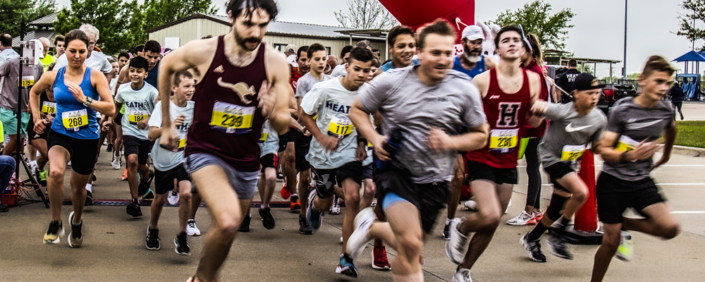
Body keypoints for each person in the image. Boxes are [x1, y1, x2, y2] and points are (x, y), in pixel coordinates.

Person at [156, 0, 291, 280]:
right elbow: (167, 64)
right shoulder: (205, 51)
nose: (255, 32)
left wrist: (272, 111)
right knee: (229, 221)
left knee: (227, 228)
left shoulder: (275, 63)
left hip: (246, 158)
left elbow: (282, 120)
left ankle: (202, 277)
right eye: (248, 24)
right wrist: (167, 124)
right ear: (231, 17)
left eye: (263, 25)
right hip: (205, 150)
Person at [346, 19, 488, 282]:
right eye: (435, 53)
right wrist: (375, 138)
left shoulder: (464, 89)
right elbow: (357, 110)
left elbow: (481, 134)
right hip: (396, 173)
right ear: (419, 54)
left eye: (448, 53)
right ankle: (375, 227)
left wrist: (451, 142)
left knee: (410, 245)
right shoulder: (391, 82)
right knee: (411, 244)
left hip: (436, 182)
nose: (443, 60)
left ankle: (371, 227)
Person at [446, 25, 542, 282]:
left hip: (508, 158)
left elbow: (530, 122)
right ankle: (461, 226)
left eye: (516, 40)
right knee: (488, 214)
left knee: (493, 221)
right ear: (497, 49)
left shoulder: (533, 80)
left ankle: (463, 270)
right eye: (506, 40)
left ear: (523, 49)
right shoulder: (483, 81)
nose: (512, 44)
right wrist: (457, 153)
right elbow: (459, 118)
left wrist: (539, 116)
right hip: (481, 156)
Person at [591, 55, 680, 282]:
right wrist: (629, 155)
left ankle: (625, 224)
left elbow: (672, 130)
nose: (663, 88)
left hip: (641, 181)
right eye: (658, 81)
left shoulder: (666, 110)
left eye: (667, 83)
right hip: (613, 182)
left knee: (670, 228)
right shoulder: (623, 109)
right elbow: (603, 149)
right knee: (610, 243)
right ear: (642, 80)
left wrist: (666, 156)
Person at [31, 29, 115, 247]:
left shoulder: (95, 76)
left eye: (81, 51)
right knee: (56, 172)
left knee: (78, 188)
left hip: (87, 138)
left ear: (88, 51)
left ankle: (76, 221)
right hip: (60, 133)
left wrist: (85, 100)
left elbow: (111, 107)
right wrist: (37, 117)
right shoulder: (54, 75)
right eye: (72, 51)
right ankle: (55, 221)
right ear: (64, 51)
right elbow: (34, 92)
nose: (77, 56)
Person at [300, 46, 374, 277]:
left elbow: (365, 119)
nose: (362, 75)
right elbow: (304, 114)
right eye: (358, 70)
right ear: (347, 67)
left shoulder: (368, 93)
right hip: (323, 154)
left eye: (367, 70)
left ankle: (346, 258)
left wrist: (362, 143)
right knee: (325, 202)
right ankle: (315, 203)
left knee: (352, 197)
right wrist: (321, 138)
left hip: (350, 151)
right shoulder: (325, 88)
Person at [520, 73, 607, 262]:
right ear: (575, 93)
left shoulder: (599, 119)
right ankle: (560, 234)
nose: (594, 97)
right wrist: (536, 107)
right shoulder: (562, 111)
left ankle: (532, 238)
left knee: (556, 208)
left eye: (597, 93)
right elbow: (538, 110)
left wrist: (617, 150)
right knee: (581, 192)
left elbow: (598, 148)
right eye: (589, 93)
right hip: (551, 158)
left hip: (570, 163)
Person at [443, 24, 497, 240]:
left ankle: (478, 213)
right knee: (457, 177)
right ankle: (449, 221)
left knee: (479, 176)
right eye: (472, 42)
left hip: (481, 130)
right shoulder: (452, 66)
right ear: (463, 43)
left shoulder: (489, 64)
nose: (476, 47)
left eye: (479, 43)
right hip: (458, 128)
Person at [144, 70, 195, 255]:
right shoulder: (163, 107)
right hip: (163, 160)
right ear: (174, 87)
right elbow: (151, 135)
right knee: (160, 199)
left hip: (184, 158)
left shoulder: (194, 107)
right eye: (187, 86)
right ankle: (153, 228)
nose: (191, 90)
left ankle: (182, 235)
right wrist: (170, 124)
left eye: (193, 85)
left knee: (186, 194)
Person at [506, 31, 549, 227]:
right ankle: (536, 211)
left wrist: (525, 126)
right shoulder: (528, 69)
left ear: (529, 51)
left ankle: (530, 211)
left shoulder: (535, 73)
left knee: (532, 169)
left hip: (534, 130)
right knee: (532, 168)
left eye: (521, 48)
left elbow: (536, 104)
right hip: (530, 129)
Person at [110, 56, 158, 217]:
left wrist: (148, 119)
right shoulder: (123, 90)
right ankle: (134, 200)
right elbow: (116, 105)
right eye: (132, 71)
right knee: (131, 161)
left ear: (145, 74)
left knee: (142, 166)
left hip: (146, 134)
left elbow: (160, 112)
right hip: (129, 131)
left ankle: (146, 178)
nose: (135, 74)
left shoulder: (152, 92)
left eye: (139, 71)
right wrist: (110, 120)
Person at [293, 43, 333, 234]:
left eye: (324, 59)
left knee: (327, 175)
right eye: (317, 59)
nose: (321, 62)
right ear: (308, 61)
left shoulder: (332, 81)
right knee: (305, 175)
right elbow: (301, 111)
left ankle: (317, 200)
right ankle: (303, 213)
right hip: (307, 132)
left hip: (326, 134)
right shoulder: (304, 82)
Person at [0, 42, 44, 158]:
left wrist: (35, 108)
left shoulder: (38, 66)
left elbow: (38, 88)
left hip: (25, 109)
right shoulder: (11, 62)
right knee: (15, 138)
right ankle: (2, 165)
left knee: (20, 143)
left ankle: (13, 171)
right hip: (8, 106)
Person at [279, 45, 309, 209]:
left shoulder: (318, 79)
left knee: (305, 167)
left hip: (311, 124)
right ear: (297, 61)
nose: (305, 63)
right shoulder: (291, 77)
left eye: (307, 59)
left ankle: (296, 183)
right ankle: (294, 194)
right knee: (289, 156)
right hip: (290, 122)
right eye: (302, 60)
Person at [27, 62, 57, 188]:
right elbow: (29, 109)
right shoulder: (39, 92)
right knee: (46, 153)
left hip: (55, 129)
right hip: (38, 128)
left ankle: (40, 169)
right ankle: (40, 172)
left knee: (52, 156)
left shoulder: (62, 93)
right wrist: (44, 115)